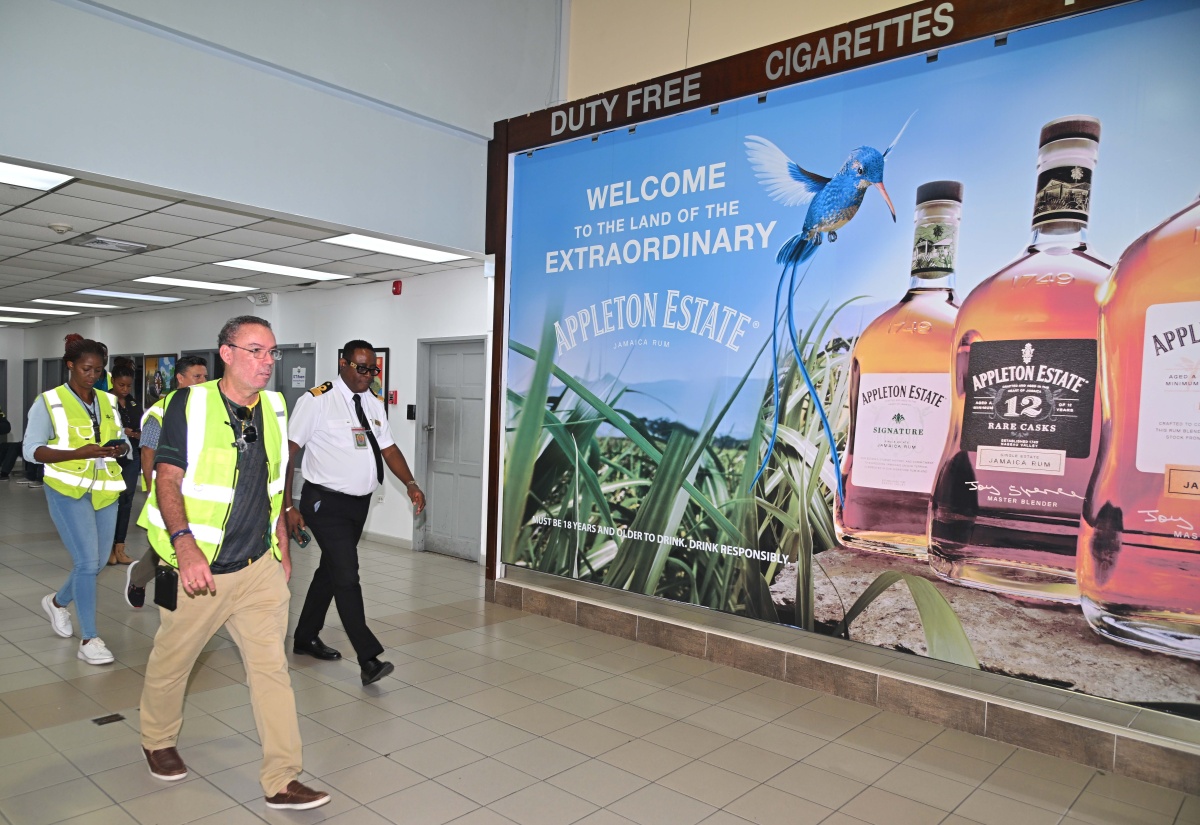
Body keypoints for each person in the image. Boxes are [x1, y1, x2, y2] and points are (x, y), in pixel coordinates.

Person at [137, 316, 329, 811]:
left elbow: (277, 475)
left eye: (272, 353)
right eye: (255, 351)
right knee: (172, 661)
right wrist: (183, 544)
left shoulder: (275, 406)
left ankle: (282, 777)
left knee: (271, 671)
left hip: (258, 566)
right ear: (225, 353)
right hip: (196, 570)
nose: (267, 362)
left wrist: (282, 535)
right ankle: (157, 739)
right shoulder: (186, 405)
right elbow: (167, 478)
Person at [284, 339, 425, 686]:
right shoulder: (317, 401)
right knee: (347, 574)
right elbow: (288, 453)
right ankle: (368, 658)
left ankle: (305, 636)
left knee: (331, 570)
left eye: (372, 369)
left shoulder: (372, 403)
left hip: (358, 505)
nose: (367, 375)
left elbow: (388, 448)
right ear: (343, 363)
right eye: (361, 368)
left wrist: (410, 483)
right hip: (324, 503)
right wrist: (287, 505)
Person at [23, 337, 130, 665]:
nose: (92, 375)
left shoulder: (108, 402)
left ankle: (57, 603)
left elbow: (124, 439)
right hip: (67, 489)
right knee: (86, 562)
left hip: (104, 490)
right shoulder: (49, 402)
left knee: (97, 563)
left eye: (98, 370)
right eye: (86, 368)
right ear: (70, 365)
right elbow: (32, 450)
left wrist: (120, 448)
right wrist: (77, 453)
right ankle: (90, 638)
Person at [124, 355, 209, 608]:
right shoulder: (161, 411)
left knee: (199, 540)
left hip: (199, 490)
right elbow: (148, 452)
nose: (203, 381)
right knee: (169, 543)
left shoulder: (207, 408)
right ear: (180, 379)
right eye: (197, 377)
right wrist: (154, 492)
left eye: (205, 376)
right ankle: (139, 579)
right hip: (168, 489)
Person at [108, 360, 140, 566]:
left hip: (132, 456)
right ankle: (108, 548)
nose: (125, 389)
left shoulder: (134, 403)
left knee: (126, 500)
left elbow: (141, 424)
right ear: (113, 382)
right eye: (121, 385)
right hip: (112, 456)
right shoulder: (104, 401)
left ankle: (120, 546)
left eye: (128, 386)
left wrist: (136, 433)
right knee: (111, 500)